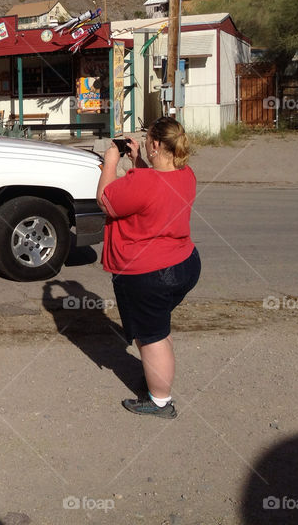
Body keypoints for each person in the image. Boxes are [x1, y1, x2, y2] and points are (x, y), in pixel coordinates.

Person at [96, 116, 201, 419]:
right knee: (157, 327)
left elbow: (105, 199)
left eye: (145, 138)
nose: (142, 141)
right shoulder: (186, 174)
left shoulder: (141, 182)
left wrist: (110, 163)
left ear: (156, 143)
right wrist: (139, 160)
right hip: (183, 264)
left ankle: (159, 401)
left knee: (153, 337)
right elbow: (156, 189)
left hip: (148, 273)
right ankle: (158, 381)